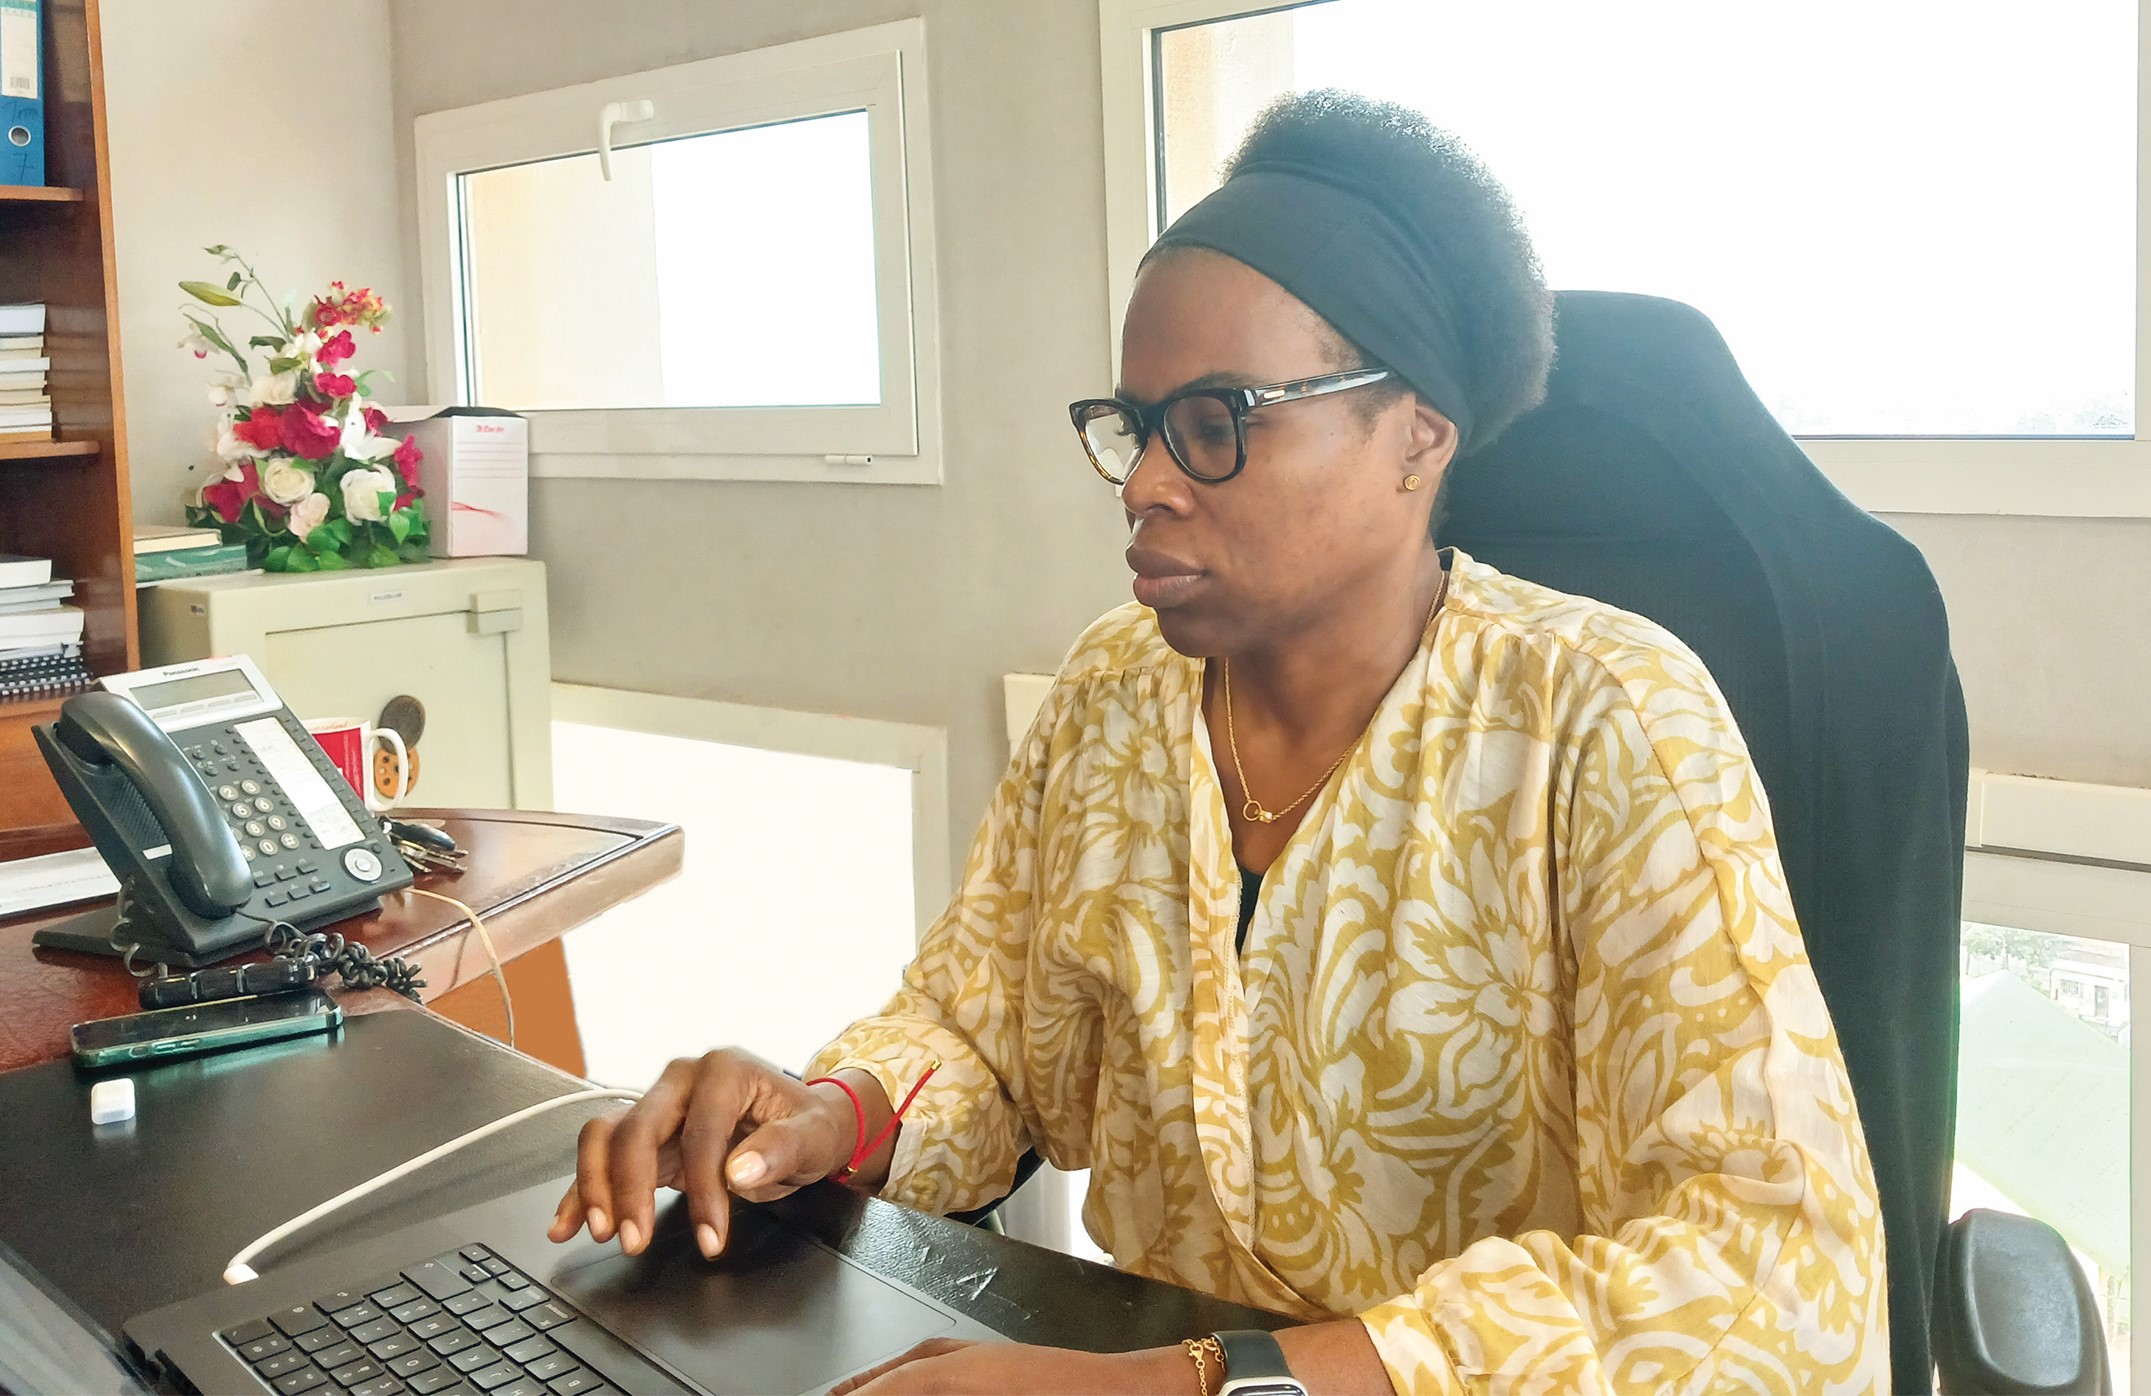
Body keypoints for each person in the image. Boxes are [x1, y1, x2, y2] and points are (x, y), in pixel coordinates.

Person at [552, 91, 1888, 1395]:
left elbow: (1772, 1275)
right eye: (1137, 427)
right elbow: (994, 1041)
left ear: (1419, 432)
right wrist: (833, 1112)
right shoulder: (1115, 694)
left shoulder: (1604, 723)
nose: (1143, 482)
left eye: (1217, 423)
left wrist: (1195, 1385)